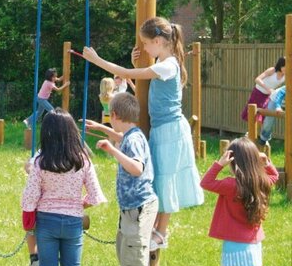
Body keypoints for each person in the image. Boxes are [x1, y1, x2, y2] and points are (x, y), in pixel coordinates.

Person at [82, 16, 204, 251]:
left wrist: (96, 60)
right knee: (159, 178)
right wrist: (132, 71)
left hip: (170, 130)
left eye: (146, 44)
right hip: (162, 128)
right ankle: (157, 228)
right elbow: (144, 93)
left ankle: (161, 232)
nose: (145, 49)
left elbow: (124, 71)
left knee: (166, 178)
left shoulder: (168, 65)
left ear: (158, 41)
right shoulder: (163, 63)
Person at [21, 109, 106, 266]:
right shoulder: (83, 160)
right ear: (72, 133)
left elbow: (29, 198)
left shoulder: (40, 161)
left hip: (46, 222)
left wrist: (32, 216)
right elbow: (96, 195)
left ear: (47, 134)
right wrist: (79, 204)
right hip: (72, 223)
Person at [89, 93, 158, 266]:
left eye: (110, 117)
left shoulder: (134, 140)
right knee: (124, 248)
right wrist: (101, 128)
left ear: (116, 115)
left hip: (139, 207)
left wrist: (112, 150)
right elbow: (120, 135)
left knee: (133, 253)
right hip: (130, 208)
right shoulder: (131, 134)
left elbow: (137, 168)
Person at [200, 137, 277, 266]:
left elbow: (205, 182)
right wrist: (266, 163)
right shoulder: (261, 182)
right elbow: (274, 176)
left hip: (234, 245)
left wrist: (219, 163)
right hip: (254, 243)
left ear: (233, 162)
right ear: (254, 160)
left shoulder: (230, 185)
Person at [241, 57, 285, 122]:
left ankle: (255, 132)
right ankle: (250, 131)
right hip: (258, 92)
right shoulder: (272, 70)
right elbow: (257, 79)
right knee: (252, 114)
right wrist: (268, 89)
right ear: (281, 65)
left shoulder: (286, 75)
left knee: (261, 117)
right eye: (285, 66)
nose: (287, 68)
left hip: (267, 96)